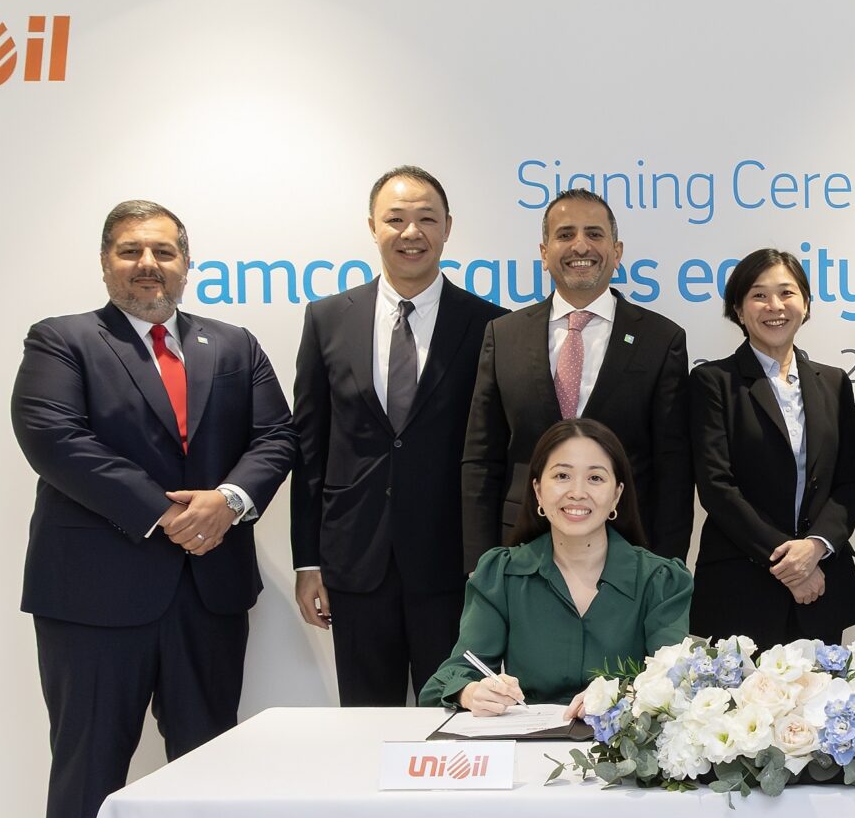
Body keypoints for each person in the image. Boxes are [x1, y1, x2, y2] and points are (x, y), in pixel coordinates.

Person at [12, 200, 294, 818]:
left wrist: (228, 501)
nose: (148, 264)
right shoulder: (63, 340)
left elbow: (277, 436)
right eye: (131, 250)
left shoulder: (232, 346)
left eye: (164, 251)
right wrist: (166, 514)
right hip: (94, 596)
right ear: (106, 261)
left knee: (208, 754)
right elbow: (53, 436)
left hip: (208, 590)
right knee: (89, 758)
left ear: (186, 263)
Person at [290, 166, 508, 705]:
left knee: (456, 720)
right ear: (373, 227)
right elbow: (310, 448)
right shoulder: (326, 319)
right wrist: (308, 561)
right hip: (354, 563)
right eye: (395, 219)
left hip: (453, 565)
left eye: (427, 219)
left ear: (448, 228)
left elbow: (497, 453)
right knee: (364, 725)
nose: (411, 233)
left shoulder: (491, 326)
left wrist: (493, 565)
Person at [460, 190, 691, 570]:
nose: (580, 245)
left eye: (594, 234)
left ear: (616, 251)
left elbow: (673, 468)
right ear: (544, 252)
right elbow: (481, 460)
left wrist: (667, 569)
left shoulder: (660, 339)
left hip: (629, 551)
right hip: (520, 549)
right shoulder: (503, 336)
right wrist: (479, 566)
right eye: (565, 234)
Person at [421, 419, 692, 713]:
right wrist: (472, 692)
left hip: (622, 739)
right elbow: (448, 680)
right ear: (538, 490)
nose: (577, 492)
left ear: (617, 494)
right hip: (526, 738)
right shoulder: (500, 574)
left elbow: (676, 680)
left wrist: (617, 697)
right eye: (562, 475)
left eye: (595, 478)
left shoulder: (661, 580)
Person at [689, 248, 855, 647]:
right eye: (759, 295)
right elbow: (717, 487)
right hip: (742, 584)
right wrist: (791, 563)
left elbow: (852, 481)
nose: (775, 306)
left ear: (806, 304)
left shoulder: (834, 383)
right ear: (738, 310)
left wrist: (816, 548)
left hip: (822, 584)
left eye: (787, 293)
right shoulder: (713, 382)